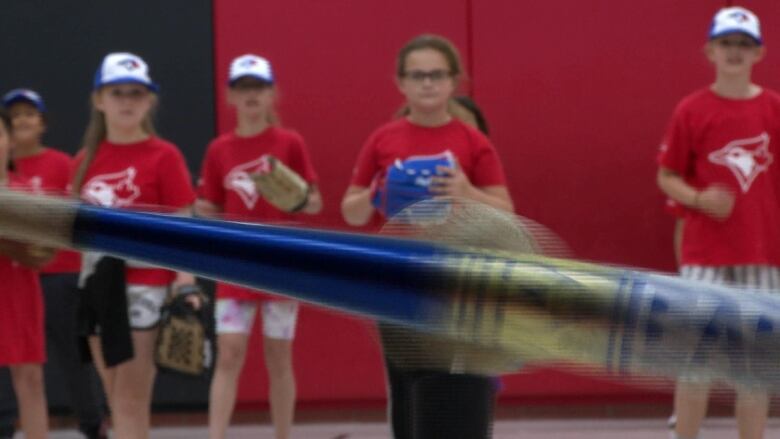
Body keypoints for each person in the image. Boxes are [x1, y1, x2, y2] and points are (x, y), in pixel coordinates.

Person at [340, 34, 513, 439]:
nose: (428, 84)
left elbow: (508, 212)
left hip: (456, 282)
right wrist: (373, 194)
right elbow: (351, 211)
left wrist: (467, 193)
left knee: (452, 387)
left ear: (454, 81)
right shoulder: (383, 139)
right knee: (405, 386)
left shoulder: (473, 141)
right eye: (418, 75)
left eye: (437, 75)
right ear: (401, 83)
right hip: (397, 279)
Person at [656, 7, 780, 439]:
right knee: (694, 363)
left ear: (759, 53)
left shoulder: (773, 108)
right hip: (704, 253)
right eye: (726, 43)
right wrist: (699, 199)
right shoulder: (692, 109)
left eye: (743, 45)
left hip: (762, 256)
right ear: (710, 50)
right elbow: (666, 175)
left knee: (755, 369)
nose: (734, 52)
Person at [70, 52, 198, 439]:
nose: (127, 101)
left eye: (136, 93)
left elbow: (184, 225)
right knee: (114, 397)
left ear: (149, 101)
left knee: (130, 399)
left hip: (145, 285)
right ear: (99, 99)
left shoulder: (165, 155)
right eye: (118, 92)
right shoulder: (83, 159)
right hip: (96, 287)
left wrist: (185, 281)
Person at [196, 54, 322, 439]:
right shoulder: (219, 149)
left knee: (278, 355)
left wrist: (296, 198)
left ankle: (282, 434)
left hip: (281, 264)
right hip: (234, 265)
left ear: (272, 94)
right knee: (229, 351)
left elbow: (315, 202)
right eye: (243, 88)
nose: (251, 95)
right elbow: (211, 207)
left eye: (259, 87)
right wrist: (197, 206)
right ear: (230, 96)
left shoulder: (289, 142)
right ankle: (216, 434)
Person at [0, 88, 108, 439]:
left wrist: (27, 241)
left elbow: (61, 229)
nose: (21, 123)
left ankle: (91, 423)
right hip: (16, 282)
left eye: (29, 114)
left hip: (39, 282)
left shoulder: (44, 177)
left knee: (43, 369)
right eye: (13, 118)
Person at [0, 108, 53, 439]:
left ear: (8, 141)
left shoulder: (26, 192)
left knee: (29, 377)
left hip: (17, 290)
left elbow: (44, 253)